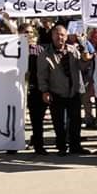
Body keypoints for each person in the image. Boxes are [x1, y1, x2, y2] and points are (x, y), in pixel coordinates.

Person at [38, 24, 91, 157]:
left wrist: (85, 58)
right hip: (56, 92)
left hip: (74, 91)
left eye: (62, 35)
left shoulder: (73, 50)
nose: (59, 38)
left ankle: (75, 145)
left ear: (66, 36)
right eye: (57, 35)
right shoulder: (45, 54)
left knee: (75, 120)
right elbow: (42, 75)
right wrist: (45, 91)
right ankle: (62, 147)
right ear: (52, 36)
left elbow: (82, 67)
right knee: (59, 122)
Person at [18, 23, 47, 155]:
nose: (28, 35)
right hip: (18, 89)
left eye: (30, 32)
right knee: (16, 118)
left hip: (36, 89)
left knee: (37, 119)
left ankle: (38, 144)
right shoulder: (14, 50)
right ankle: (13, 143)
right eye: (25, 32)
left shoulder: (40, 50)